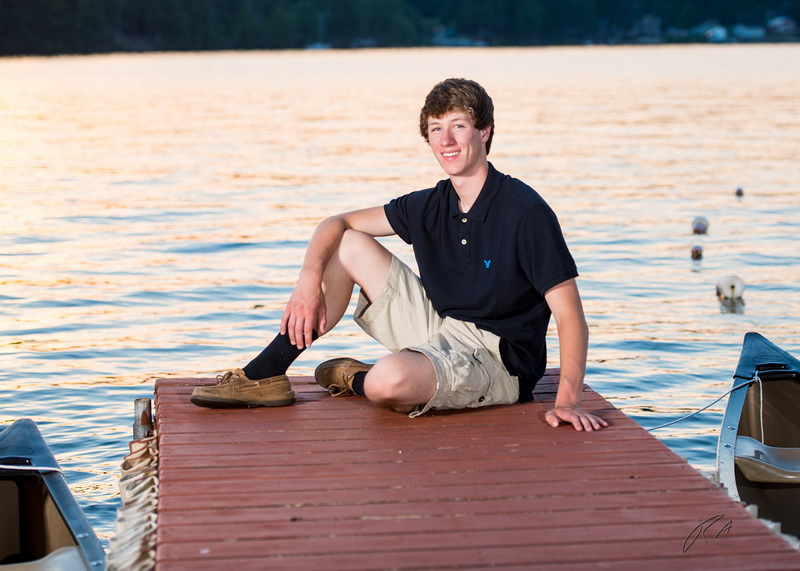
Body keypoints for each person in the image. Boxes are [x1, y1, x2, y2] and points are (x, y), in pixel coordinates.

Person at [191, 78, 607, 432]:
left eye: (458, 126)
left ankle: (363, 380)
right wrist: (307, 277)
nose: (446, 140)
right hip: (441, 329)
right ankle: (265, 373)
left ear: (484, 132)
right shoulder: (430, 204)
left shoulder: (525, 213)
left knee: (386, 381)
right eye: (435, 128)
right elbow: (337, 222)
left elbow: (571, 316)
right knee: (349, 243)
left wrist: (568, 400)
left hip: (496, 361)